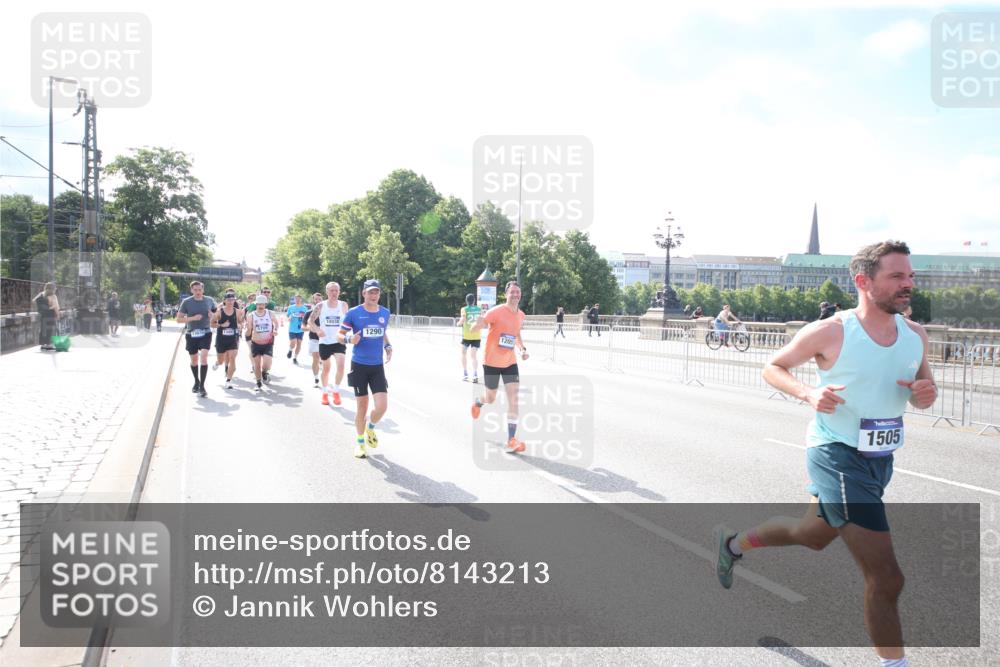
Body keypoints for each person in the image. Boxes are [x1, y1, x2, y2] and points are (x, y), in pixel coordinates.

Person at [714, 240, 936, 667]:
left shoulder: (916, 336)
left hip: (878, 461)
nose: (908, 284)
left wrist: (927, 394)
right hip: (835, 455)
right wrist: (809, 393)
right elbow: (773, 366)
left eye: (910, 276)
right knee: (887, 578)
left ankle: (733, 544)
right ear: (863, 282)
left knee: (811, 535)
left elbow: (921, 396)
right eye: (896, 276)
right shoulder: (832, 330)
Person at [469, 281, 529, 454]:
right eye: (512, 292)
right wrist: (477, 324)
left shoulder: (521, 315)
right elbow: (477, 326)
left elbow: (516, 333)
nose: (515, 295)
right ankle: (478, 402)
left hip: (510, 362)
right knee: (491, 397)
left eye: (518, 292)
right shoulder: (495, 312)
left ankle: (511, 440)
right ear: (506, 294)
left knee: (514, 399)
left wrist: (522, 349)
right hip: (491, 362)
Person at [338, 279, 392, 459]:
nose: (373, 295)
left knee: (382, 407)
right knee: (362, 406)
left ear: (379, 294)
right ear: (364, 294)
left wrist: (388, 346)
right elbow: (340, 335)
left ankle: (370, 427)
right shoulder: (354, 313)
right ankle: (360, 444)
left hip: (377, 366)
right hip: (359, 365)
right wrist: (348, 340)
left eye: (376, 292)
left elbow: (382, 331)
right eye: (370, 292)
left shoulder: (385, 312)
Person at [309, 281, 350, 406]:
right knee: (326, 369)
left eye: (336, 290)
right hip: (325, 342)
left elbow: (348, 321)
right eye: (331, 290)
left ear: (339, 292)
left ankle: (336, 390)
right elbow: (311, 321)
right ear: (327, 292)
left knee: (341, 366)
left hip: (339, 340)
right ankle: (325, 392)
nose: (334, 293)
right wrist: (317, 330)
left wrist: (349, 332)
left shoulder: (343, 305)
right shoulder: (321, 306)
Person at [176, 281, 217, 398]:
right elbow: (178, 319)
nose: (198, 292)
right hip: (191, 333)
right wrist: (192, 318)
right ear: (192, 290)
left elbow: (216, 313)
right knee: (194, 360)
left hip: (206, 332)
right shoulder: (187, 302)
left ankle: (202, 386)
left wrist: (212, 316)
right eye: (195, 290)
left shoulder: (209, 300)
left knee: (203, 357)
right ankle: (196, 381)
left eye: (200, 290)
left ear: (203, 290)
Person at [211, 290, 243, 390]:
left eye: (232, 300)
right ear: (224, 301)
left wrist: (240, 325)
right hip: (221, 339)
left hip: (233, 339)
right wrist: (221, 325)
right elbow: (211, 324)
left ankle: (228, 381)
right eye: (228, 300)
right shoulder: (219, 312)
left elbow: (241, 322)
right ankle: (217, 363)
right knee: (221, 360)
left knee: (232, 358)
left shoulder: (237, 312)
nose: (230, 302)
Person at [246, 294, 279, 392]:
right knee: (257, 364)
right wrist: (246, 332)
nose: (261, 306)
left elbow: (276, 323)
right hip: (256, 342)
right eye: (259, 304)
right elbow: (249, 330)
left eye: (263, 304)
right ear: (256, 304)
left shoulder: (270, 313)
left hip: (268, 342)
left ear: (265, 304)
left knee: (267, 363)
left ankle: (264, 372)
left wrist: (276, 330)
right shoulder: (251, 315)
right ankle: (258, 383)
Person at [458, 294, 482, 382]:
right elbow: (482, 320)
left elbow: (463, 319)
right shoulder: (479, 309)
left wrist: (458, 323)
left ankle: (465, 374)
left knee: (463, 353)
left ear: (466, 301)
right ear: (474, 300)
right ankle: (475, 374)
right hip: (476, 336)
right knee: (474, 356)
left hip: (467, 336)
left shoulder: (464, 309)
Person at [285, 294, 310, 364]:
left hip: (300, 329)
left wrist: (306, 324)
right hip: (292, 328)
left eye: (299, 299)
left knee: (299, 343)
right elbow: (287, 315)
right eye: (296, 299)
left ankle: (295, 358)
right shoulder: (291, 307)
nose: (297, 300)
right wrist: (288, 318)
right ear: (294, 300)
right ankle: (290, 350)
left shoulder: (304, 308)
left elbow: (307, 318)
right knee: (293, 342)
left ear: (301, 300)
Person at [34, 282, 59, 351]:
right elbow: (56, 307)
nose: (55, 289)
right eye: (55, 288)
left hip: (43, 314)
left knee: (43, 329)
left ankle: (43, 344)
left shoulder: (41, 294)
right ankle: (48, 344)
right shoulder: (53, 296)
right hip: (51, 314)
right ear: (53, 289)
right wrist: (57, 314)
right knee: (50, 329)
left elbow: (33, 301)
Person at [306, 292, 323, 387]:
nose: (317, 301)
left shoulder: (326, 312)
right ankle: (316, 378)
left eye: (319, 299)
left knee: (323, 360)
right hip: (313, 339)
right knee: (315, 358)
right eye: (316, 299)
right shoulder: (309, 313)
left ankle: (321, 364)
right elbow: (303, 326)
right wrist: (312, 328)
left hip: (325, 340)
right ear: (313, 300)